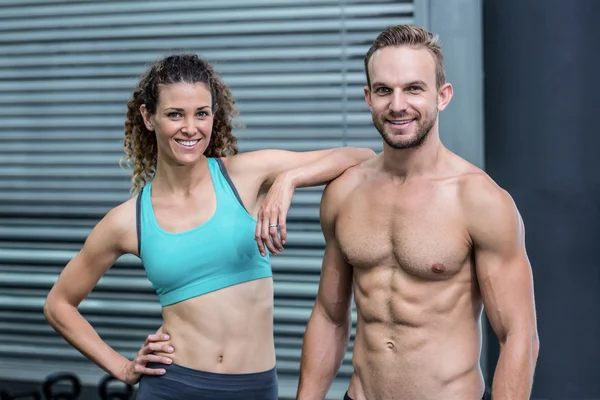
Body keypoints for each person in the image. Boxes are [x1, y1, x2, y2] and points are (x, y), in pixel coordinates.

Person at [43, 53, 375, 400]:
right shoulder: (129, 220)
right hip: (173, 387)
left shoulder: (246, 176)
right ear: (148, 117)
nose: (191, 128)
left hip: (254, 389)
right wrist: (123, 368)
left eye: (201, 113)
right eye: (175, 114)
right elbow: (58, 304)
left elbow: (362, 156)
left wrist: (288, 180)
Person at [295, 25, 540, 400]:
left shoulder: (479, 200)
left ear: (442, 96)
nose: (397, 105)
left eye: (413, 88)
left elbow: (518, 335)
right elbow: (330, 317)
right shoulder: (344, 193)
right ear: (367, 97)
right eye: (383, 90)